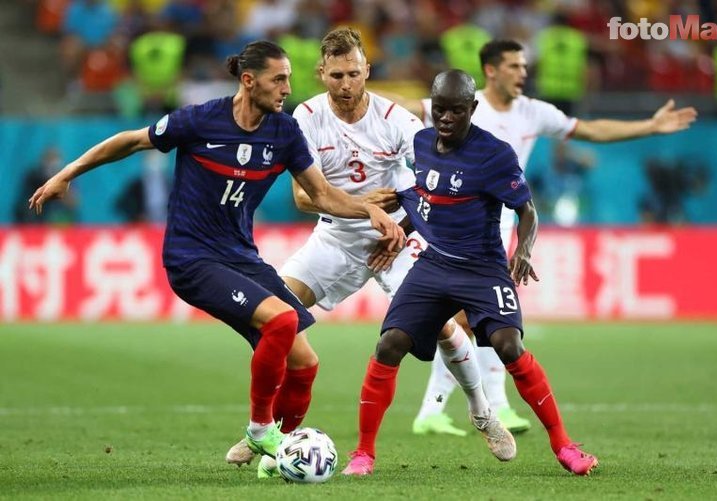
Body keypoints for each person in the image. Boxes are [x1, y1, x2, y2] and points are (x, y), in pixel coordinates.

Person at [28, 40, 404, 461]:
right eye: (278, 80)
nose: (287, 89)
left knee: (304, 363)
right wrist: (67, 173)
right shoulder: (201, 120)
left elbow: (322, 194)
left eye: (288, 79)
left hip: (241, 256)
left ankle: (274, 456)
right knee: (281, 321)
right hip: (192, 257)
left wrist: (368, 210)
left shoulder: (284, 132)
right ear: (249, 81)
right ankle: (260, 430)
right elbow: (131, 141)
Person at [224, 27, 513, 479]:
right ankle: (267, 429)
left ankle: (482, 413)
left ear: (367, 71)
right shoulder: (305, 118)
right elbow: (302, 198)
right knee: (275, 317)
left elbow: (432, 180)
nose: (346, 84)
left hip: (395, 239)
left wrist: (402, 224)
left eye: (354, 74)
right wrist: (364, 206)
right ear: (321, 73)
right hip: (335, 237)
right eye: (336, 75)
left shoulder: (396, 119)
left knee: (444, 326)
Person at [400, 39, 698, 436]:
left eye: (524, 66)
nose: (523, 73)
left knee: (486, 320)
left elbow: (590, 130)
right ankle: (440, 408)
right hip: (452, 222)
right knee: (465, 319)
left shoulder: (533, 111)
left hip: (499, 224)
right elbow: (402, 109)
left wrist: (650, 126)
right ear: (491, 70)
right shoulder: (460, 103)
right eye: (514, 66)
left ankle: (479, 406)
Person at [342, 69, 598, 476]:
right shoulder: (421, 144)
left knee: (509, 346)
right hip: (434, 264)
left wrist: (523, 250)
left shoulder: (494, 155)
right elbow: (427, 197)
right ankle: (363, 454)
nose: (446, 118)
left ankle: (564, 445)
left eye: (456, 111)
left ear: (472, 109)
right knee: (389, 344)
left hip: (483, 268)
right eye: (440, 109)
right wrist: (401, 230)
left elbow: (527, 211)